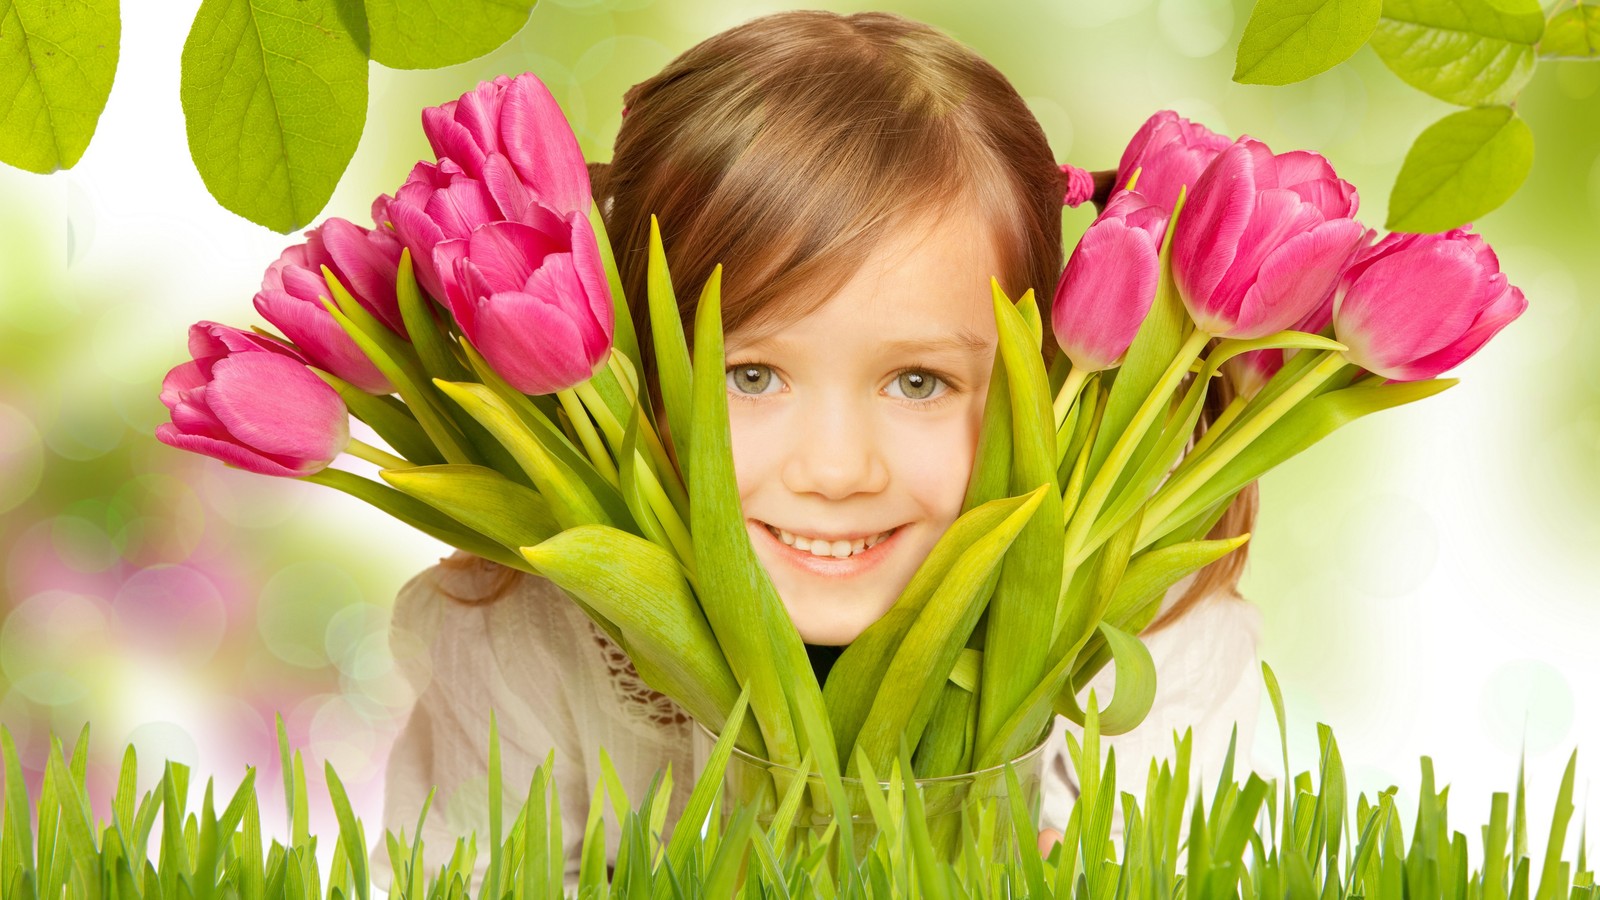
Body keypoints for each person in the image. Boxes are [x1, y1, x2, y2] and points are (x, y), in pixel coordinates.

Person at [370, 9, 1261, 886]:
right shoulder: (529, 645)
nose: (837, 472)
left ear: (1046, 377)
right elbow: (451, 875)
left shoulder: (1154, 629)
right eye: (750, 375)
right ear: (632, 357)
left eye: (918, 382)